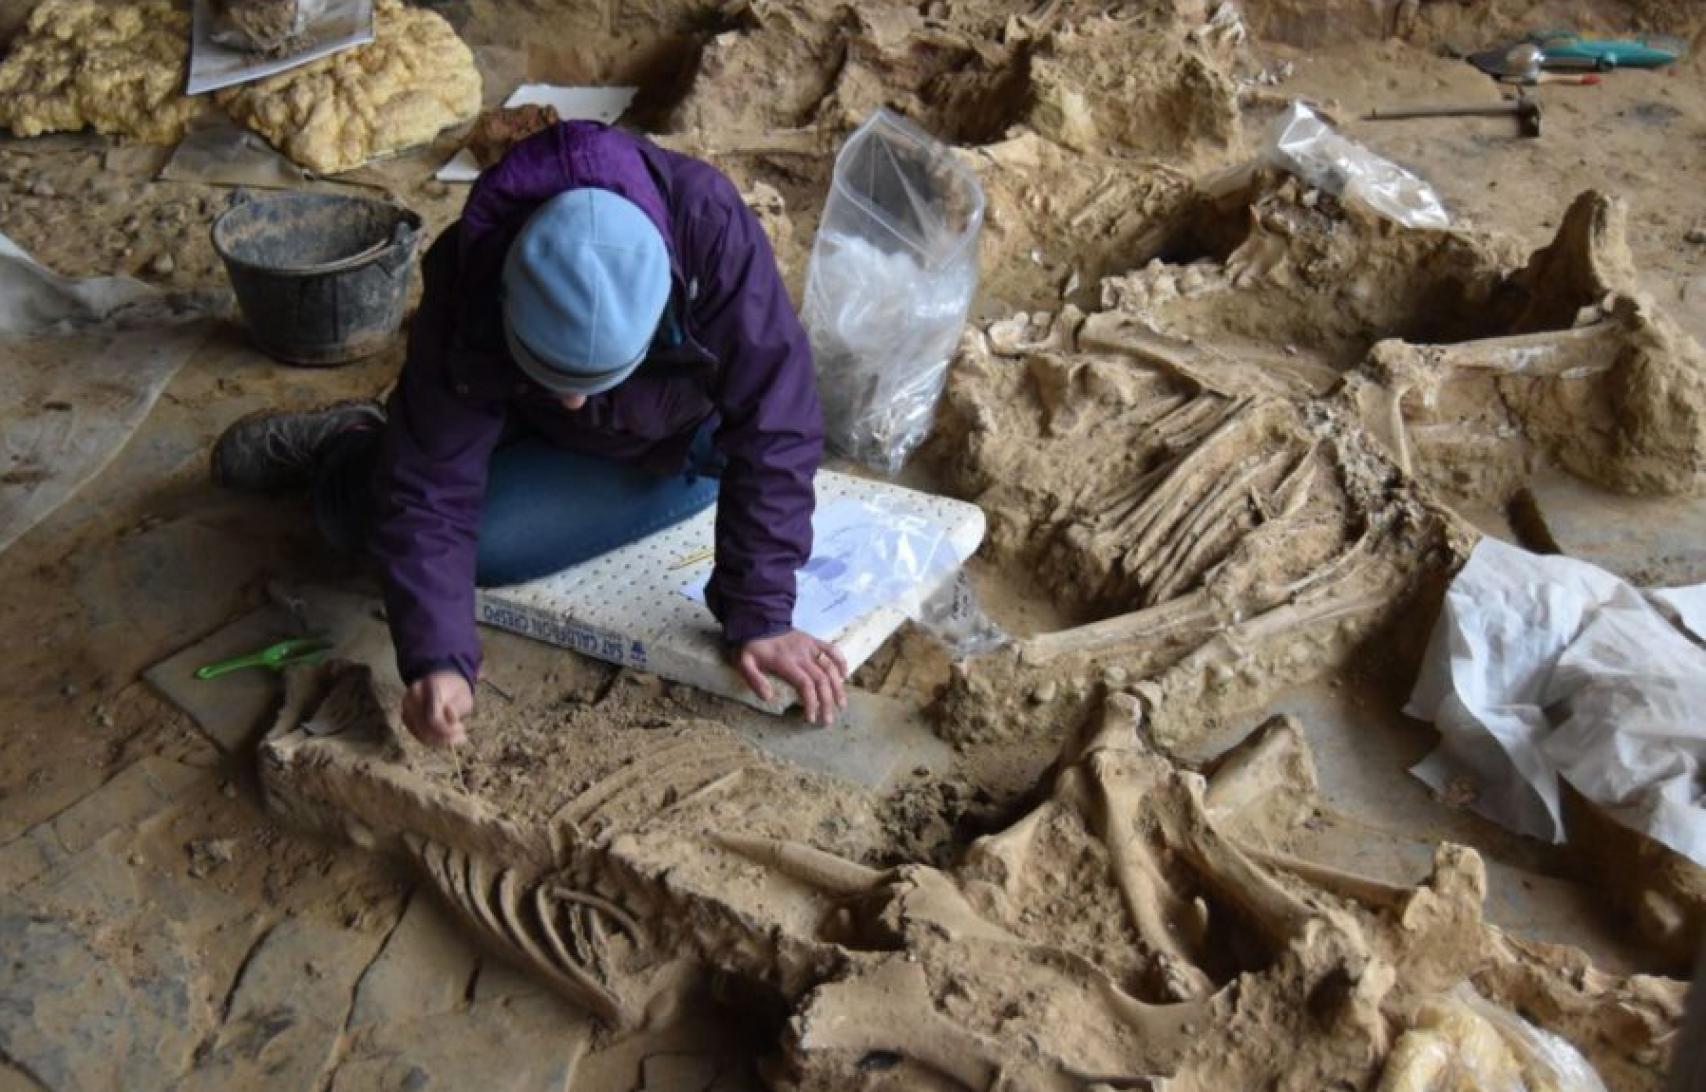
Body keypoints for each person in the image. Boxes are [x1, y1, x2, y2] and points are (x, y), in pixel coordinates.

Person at [212, 121, 848, 745]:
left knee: (745, 454)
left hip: (678, 421)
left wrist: (762, 613)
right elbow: (432, 483)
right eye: (555, 372)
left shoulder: (708, 228)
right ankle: (348, 447)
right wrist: (436, 656)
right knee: (465, 540)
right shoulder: (472, 270)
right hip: (533, 422)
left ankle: (589, 450)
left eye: (594, 378)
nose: (573, 398)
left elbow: (778, 420)